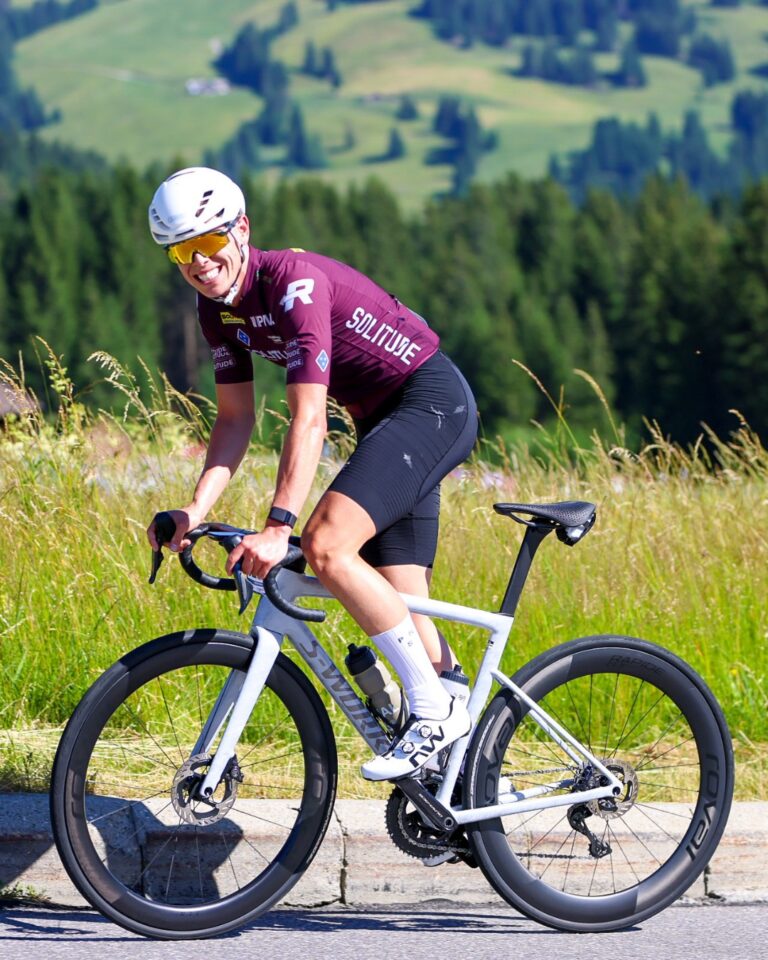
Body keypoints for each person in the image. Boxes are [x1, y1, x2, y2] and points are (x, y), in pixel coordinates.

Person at [146, 166, 478, 780]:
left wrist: (279, 526)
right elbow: (235, 420)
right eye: (180, 252)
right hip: (383, 424)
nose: (198, 262)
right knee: (408, 611)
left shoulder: (293, 284)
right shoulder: (215, 310)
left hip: (429, 404)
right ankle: (468, 781)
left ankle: (433, 714)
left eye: (209, 243)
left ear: (241, 230)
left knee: (324, 544)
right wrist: (193, 510)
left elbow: (307, 421)